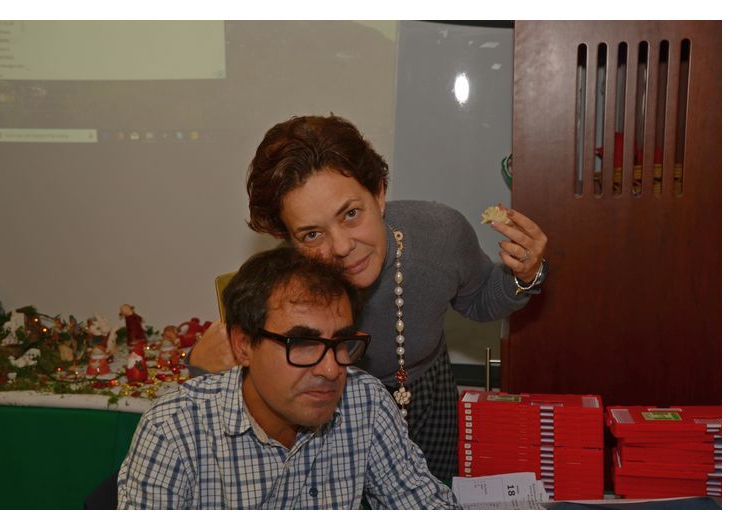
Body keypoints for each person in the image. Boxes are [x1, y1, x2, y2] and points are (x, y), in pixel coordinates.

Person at [189, 115, 548, 482]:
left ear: (378, 193)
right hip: (327, 403)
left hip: (427, 393)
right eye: (311, 234)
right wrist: (203, 371)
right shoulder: (283, 289)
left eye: (351, 214)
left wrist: (525, 275)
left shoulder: (440, 234)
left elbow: (480, 298)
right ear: (288, 239)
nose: (341, 247)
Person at [117, 247, 458, 509]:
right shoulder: (174, 430)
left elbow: (423, 505)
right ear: (243, 345)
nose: (331, 370)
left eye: (341, 342)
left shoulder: (364, 402)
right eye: (304, 344)